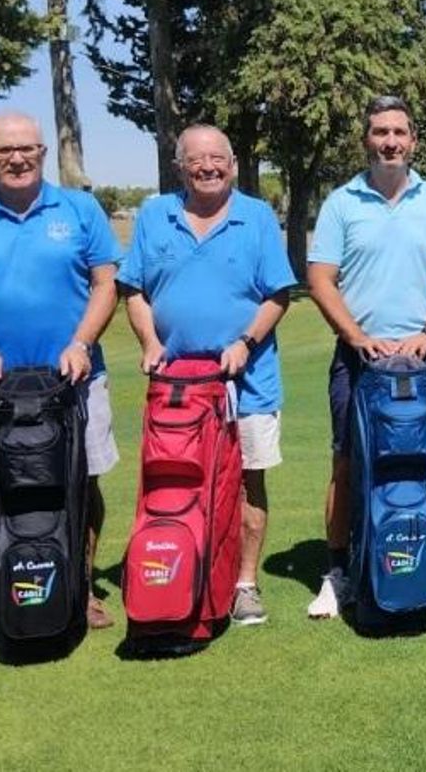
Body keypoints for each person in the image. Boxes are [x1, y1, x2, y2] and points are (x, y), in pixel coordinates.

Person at [0, 110, 121, 643]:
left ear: (42, 152)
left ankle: (79, 588)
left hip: (75, 381)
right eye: (3, 151)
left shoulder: (80, 209)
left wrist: (82, 342)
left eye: (27, 149)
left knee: (83, 483)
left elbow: (106, 282)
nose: (16, 158)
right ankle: (1, 595)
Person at [117, 124, 297, 625]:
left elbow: (277, 294)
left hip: (247, 381)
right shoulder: (155, 214)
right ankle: (183, 572)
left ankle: (242, 584)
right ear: (180, 166)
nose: (208, 167)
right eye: (196, 159)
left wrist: (245, 342)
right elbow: (133, 290)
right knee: (173, 481)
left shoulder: (257, 217)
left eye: (218, 158)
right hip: (176, 388)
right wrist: (150, 342)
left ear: (234, 163)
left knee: (247, 482)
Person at [306, 96, 426, 619]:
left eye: (399, 132)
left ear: (413, 141)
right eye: (380, 132)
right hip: (360, 359)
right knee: (346, 461)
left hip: (423, 359)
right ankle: (339, 572)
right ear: (366, 140)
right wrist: (354, 336)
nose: (390, 141)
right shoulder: (342, 202)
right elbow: (321, 279)